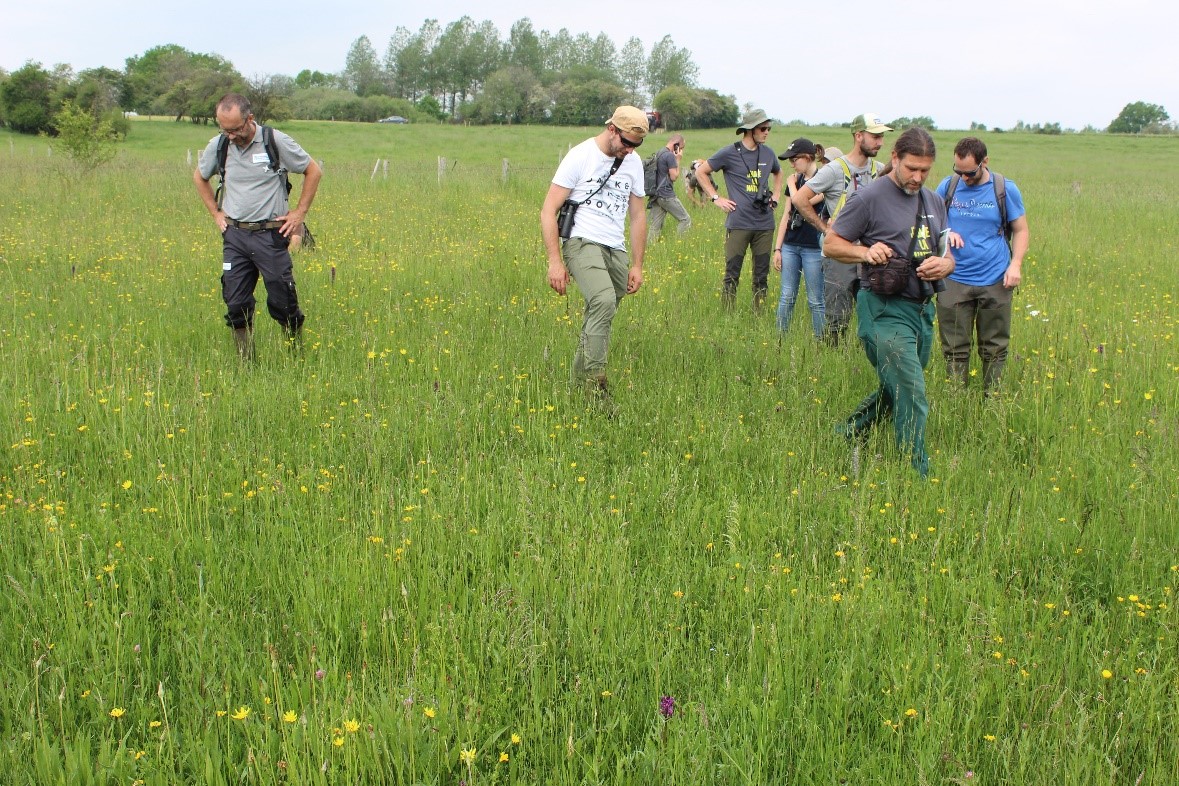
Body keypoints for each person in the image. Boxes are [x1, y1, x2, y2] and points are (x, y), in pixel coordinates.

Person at [822, 127, 955, 477]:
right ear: (894, 158)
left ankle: (848, 431)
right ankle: (917, 473)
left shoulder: (934, 201)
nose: (918, 177)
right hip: (883, 309)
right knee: (912, 391)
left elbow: (946, 251)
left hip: (922, 310)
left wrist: (946, 263)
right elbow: (831, 244)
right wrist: (865, 251)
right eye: (911, 168)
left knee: (897, 384)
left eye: (925, 170)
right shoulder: (869, 198)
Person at [193, 93, 322, 359]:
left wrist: (299, 213)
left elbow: (313, 170)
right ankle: (245, 360)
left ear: (250, 119)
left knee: (282, 300)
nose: (230, 135)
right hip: (234, 235)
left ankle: (294, 350)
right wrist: (216, 214)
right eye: (224, 129)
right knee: (235, 301)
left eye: (236, 129)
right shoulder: (220, 146)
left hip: (271, 235)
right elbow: (200, 177)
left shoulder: (274, 141)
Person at [540, 105, 649, 407]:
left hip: (615, 247)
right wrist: (554, 262)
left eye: (636, 145)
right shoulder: (581, 156)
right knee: (602, 301)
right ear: (612, 129)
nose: (629, 150)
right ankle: (595, 387)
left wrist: (638, 264)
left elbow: (638, 215)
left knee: (603, 309)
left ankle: (576, 385)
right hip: (581, 241)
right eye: (626, 143)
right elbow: (548, 210)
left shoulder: (633, 161)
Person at [935, 137, 1029, 392]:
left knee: (995, 347)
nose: (964, 178)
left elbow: (1020, 230)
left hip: (996, 278)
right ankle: (956, 400)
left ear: (985, 162)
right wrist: (946, 232)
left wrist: (1016, 265)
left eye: (970, 172)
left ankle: (993, 399)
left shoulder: (1004, 189)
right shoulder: (948, 187)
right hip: (954, 278)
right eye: (959, 171)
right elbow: (930, 221)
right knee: (954, 347)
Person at [791, 113, 891, 344]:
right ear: (858, 136)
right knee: (837, 319)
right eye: (875, 136)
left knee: (875, 317)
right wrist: (824, 228)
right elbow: (800, 199)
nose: (880, 142)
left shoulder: (881, 170)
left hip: (873, 255)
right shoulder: (835, 170)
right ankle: (832, 361)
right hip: (840, 256)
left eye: (882, 136)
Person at [696, 109, 784, 310]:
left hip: (765, 224)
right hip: (739, 223)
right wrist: (716, 198)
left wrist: (776, 196)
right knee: (732, 274)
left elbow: (778, 173)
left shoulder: (768, 153)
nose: (766, 132)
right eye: (763, 128)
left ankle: (758, 315)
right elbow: (701, 171)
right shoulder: (729, 153)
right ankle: (727, 315)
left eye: (768, 129)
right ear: (750, 130)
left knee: (761, 276)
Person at [772, 138, 825, 337]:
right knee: (787, 295)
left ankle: (821, 341)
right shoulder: (796, 180)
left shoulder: (823, 180)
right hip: (791, 245)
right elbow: (787, 214)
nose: (792, 164)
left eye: (795, 160)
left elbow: (804, 202)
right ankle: (779, 338)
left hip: (813, 247)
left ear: (808, 157)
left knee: (815, 299)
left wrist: (790, 184)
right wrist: (777, 249)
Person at [647, 133, 692, 243]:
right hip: (667, 195)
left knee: (655, 226)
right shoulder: (670, 156)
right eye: (681, 148)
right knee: (685, 219)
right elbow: (674, 176)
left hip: (656, 195)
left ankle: (650, 247)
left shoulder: (659, 152)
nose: (681, 151)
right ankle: (679, 244)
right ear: (676, 145)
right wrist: (678, 159)